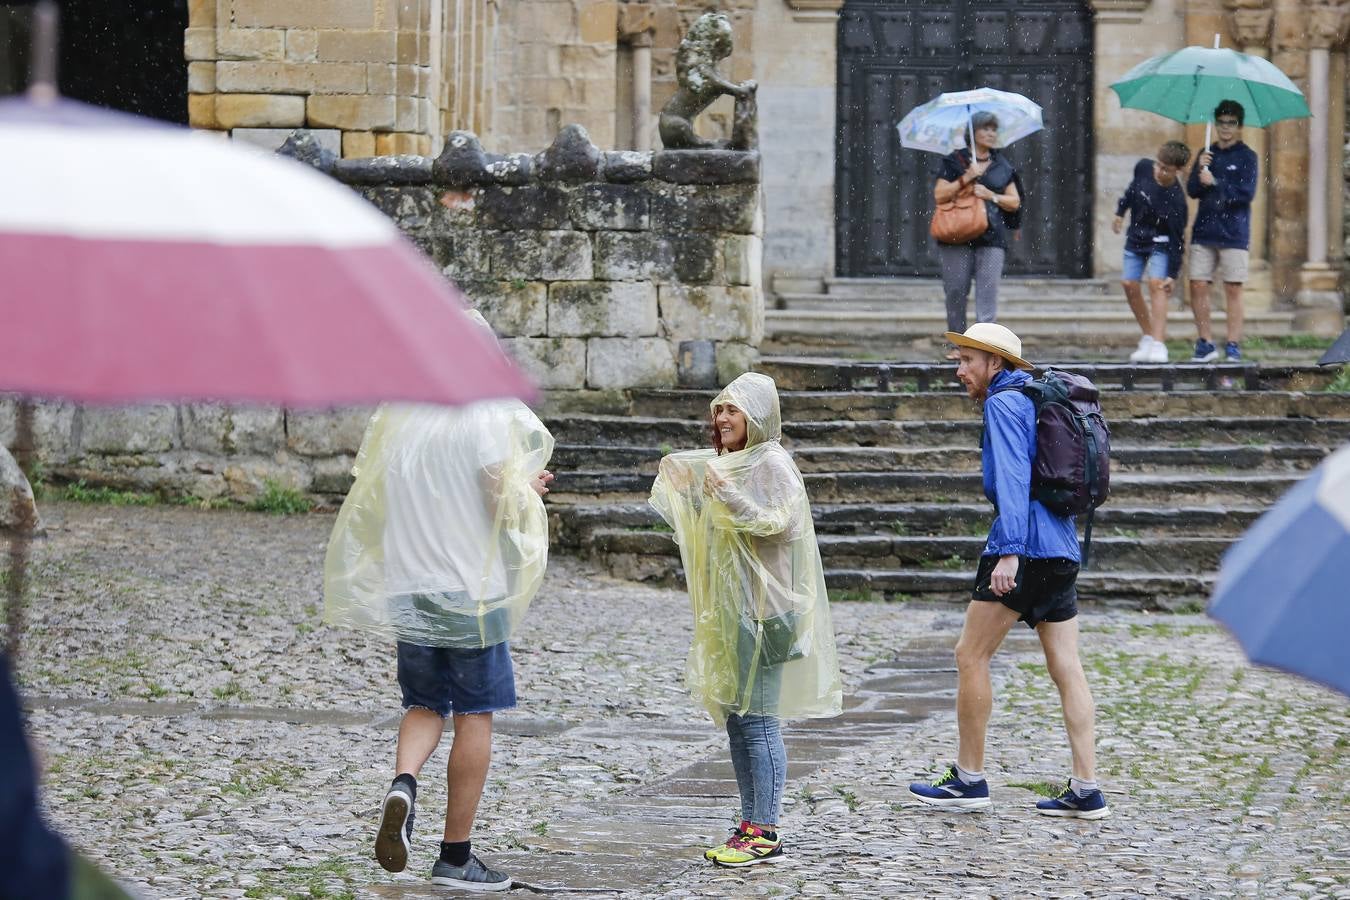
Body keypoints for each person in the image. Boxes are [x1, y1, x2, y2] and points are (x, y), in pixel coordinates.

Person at [323, 312, 555, 892]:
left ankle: (404, 782)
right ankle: (455, 855)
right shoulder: (479, 415)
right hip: (468, 589)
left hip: (411, 584)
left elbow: (375, 501)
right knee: (476, 715)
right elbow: (498, 497)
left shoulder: (401, 417)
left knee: (424, 704)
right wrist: (527, 490)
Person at [909, 323, 1109, 820]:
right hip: (1062, 549)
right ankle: (1087, 788)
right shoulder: (1037, 401)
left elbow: (1015, 481)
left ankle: (970, 780)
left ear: (995, 364)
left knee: (970, 655)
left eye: (967, 361)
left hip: (1024, 548)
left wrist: (1010, 552)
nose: (960, 371)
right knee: (1067, 664)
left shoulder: (1004, 403)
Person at [649, 373, 842, 867]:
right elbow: (720, 527)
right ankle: (751, 821)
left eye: (733, 410)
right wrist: (690, 490)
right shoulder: (734, 463)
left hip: (766, 612)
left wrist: (725, 491)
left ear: (757, 416)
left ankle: (766, 830)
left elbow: (780, 523)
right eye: (719, 410)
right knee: (739, 719)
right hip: (737, 609)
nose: (723, 419)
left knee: (757, 721)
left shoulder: (773, 462)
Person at [934, 111, 1025, 358]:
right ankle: (958, 345)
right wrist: (966, 177)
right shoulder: (954, 161)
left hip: (992, 236)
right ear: (972, 133)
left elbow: (1014, 201)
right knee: (955, 290)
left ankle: (986, 347)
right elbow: (940, 195)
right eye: (985, 129)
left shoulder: (1002, 165)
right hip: (957, 234)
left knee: (988, 293)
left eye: (994, 129)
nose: (991, 133)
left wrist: (991, 195)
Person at [1187, 99, 1259, 362]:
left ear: (1239, 126)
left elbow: (1245, 194)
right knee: (1197, 284)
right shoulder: (1206, 153)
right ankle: (1205, 342)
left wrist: (1215, 182)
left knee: (1233, 288)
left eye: (1231, 123)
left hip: (1234, 232)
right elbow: (1193, 190)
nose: (1226, 128)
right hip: (1205, 230)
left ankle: (1233, 344)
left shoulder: (1247, 156)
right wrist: (1199, 168)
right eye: (1222, 122)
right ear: (1215, 124)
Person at [1113, 140, 1192, 363]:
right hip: (1136, 237)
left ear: (1178, 170)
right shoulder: (1144, 167)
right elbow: (1131, 190)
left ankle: (1159, 342)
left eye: (1165, 169)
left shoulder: (1177, 201)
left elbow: (1178, 239)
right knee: (1129, 284)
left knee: (1157, 285)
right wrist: (1120, 212)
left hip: (1161, 242)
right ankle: (1148, 334)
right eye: (1158, 164)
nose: (1158, 171)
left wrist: (1173, 274)